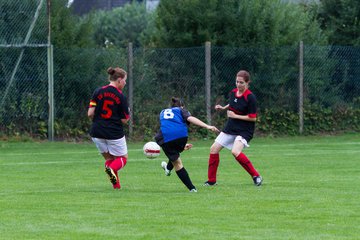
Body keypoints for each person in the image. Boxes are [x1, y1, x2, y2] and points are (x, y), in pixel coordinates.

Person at [204, 70, 263, 187]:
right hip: (231, 128)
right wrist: (223, 108)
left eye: (241, 82)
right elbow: (232, 103)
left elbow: (253, 118)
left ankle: (256, 176)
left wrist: (235, 116)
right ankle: (212, 181)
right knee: (213, 149)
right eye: (237, 82)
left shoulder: (250, 98)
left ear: (247, 83)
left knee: (235, 151)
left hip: (244, 130)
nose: (238, 84)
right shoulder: (233, 92)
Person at [155, 97, 219, 192]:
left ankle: (191, 188)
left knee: (176, 160)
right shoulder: (181, 110)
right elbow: (190, 118)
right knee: (176, 159)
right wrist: (207, 126)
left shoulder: (162, 112)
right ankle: (168, 169)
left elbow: (168, 126)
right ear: (182, 106)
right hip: (181, 136)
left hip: (165, 137)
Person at [87, 67, 130, 189]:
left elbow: (90, 113)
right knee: (122, 158)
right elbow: (125, 120)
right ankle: (110, 169)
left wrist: (100, 120)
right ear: (119, 80)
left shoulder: (98, 91)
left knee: (110, 159)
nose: (125, 83)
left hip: (97, 131)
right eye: (125, 80)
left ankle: (116, 186)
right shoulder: (121, 96)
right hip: (114, 132)